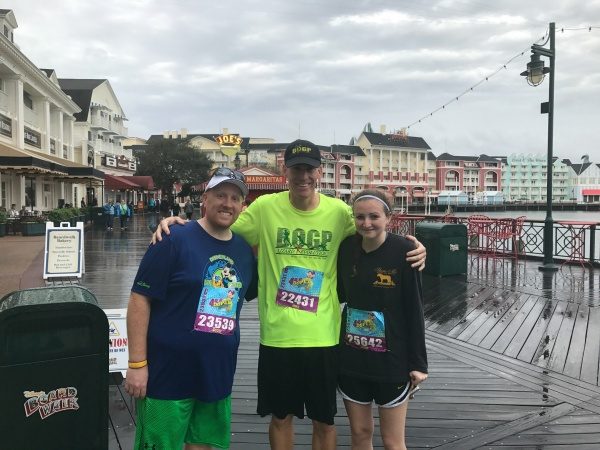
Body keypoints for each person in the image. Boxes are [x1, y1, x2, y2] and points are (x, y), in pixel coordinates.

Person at [154, 140, 426, 450]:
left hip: (324, 336)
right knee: (281, 418)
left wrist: (413, 248)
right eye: (297, 169)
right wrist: (180, 225)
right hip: (277, 336)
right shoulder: (265, 208)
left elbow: (375, 230)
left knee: (324, 421)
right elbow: (219, 226)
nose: (303, 176)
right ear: (286, 172)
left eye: (309, 169)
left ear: (319, 173)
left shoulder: (338, 212)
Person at [125, 170, 258, 450]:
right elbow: (140, 299)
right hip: (168, 373)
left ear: (242, 206)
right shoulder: (173, 238)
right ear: (205, 199)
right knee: (159, 446)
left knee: (203, 446)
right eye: (220, 195)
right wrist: (137, 364)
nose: (227, 203)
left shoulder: (245, 252)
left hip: (217, 372)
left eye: (235, 198)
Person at [337, 189, 428, 450]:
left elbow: (415, 308)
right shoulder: (346, 249)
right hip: (352, 359)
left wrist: (419, 363)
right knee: (360, 433)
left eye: (374, 216)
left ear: (389, 217)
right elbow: (339, 294)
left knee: (392, 441)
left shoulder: (406, 250)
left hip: (392, 361)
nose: (366, 223)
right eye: (360, 217)